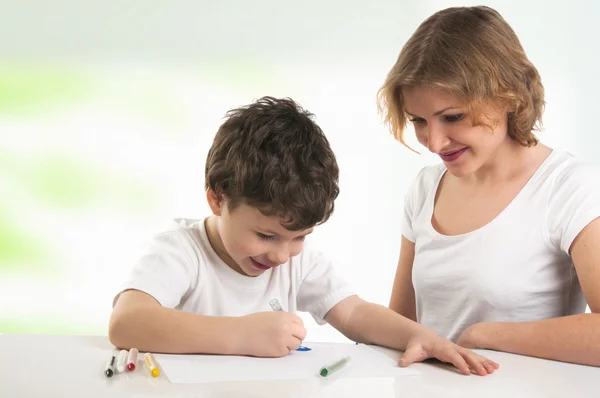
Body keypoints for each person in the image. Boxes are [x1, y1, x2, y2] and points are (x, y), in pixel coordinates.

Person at [109, 96, 497, 375]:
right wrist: (241, 335)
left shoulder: (296, 262)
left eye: (299, 237)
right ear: (217, 199)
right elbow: (126, 323)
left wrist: (420, 336)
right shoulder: (181, 252)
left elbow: (355, 313)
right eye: (266, 235)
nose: (281, 255)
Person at [379, 6, 600, 367]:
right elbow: (401, 330)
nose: (434, 143)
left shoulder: (571, 189)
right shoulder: (426, 188)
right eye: (418, 120)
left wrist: (485, 336)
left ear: (509, 96)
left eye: (453, 117)